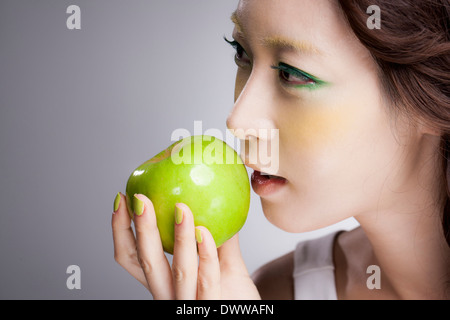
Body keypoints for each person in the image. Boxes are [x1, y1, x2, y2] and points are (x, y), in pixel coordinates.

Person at [111, 0, 450, 300]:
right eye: (242, 53)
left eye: (293, 74)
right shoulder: (268, 292)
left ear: (431, 98)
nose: (237, 120)